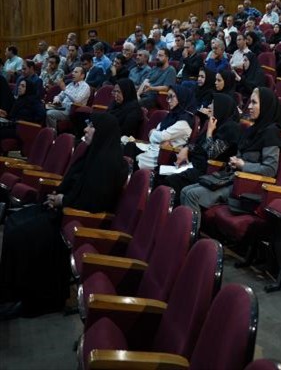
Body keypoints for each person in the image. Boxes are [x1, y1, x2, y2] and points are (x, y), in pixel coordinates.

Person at [0, 113, 127, 319]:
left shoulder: (108, 163)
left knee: (20, 234)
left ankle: (25, 298)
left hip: (74, 219)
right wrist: (57, 197)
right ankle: (8, 292)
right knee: (14, 220)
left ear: (102, 132)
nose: (85, 130)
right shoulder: (92, 152)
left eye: (91, 127)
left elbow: (93, 203)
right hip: (63, 209)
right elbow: (72, 184)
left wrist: (62, 201)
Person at [159, 93, 240, 202]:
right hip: (194, 164)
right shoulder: (215, 123)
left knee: (171, 180)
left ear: (222, 107)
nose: (210, 106)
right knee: (159, 173)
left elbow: (211, 153)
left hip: (208, 171)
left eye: (213, 104)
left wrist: (210, 132)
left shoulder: (231, 128)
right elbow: (197, 145)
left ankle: (170, 214)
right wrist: (187, 148)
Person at [130, 85, 194, 170]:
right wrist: (156, 135)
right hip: (153, 149)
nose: (168, 101)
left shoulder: (184, 122)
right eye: (168, 97)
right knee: (128, 147)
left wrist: (153, 133)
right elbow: (157, 133)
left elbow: (160, 136)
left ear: (182, 98)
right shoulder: (172, 115)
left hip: (163, 157)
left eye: (171, 97)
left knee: (130, 159)